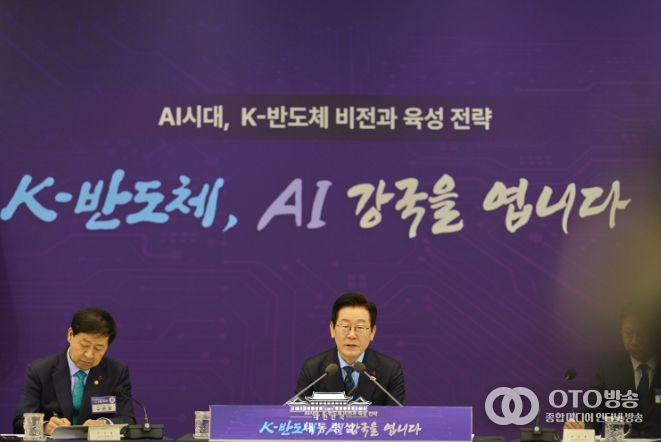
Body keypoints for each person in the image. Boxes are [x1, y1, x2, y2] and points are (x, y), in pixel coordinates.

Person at [13, 307, 135, 434]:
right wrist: (45, 426)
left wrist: (104, 424)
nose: (89, 355)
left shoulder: (116, 372)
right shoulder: (40, 371)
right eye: (84, 345)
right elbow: (19, 422)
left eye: (99, 348)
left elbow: (128, 420)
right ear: (70, 335)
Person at [565, 304, 661, 437]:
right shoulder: (608, 372)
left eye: (642, 332)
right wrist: (582, 429)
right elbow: (592, 413)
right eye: (628, 333)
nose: (634, 341)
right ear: (620, 332)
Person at [295, 292, 405, 405]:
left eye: (360, 327)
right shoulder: (312, 370)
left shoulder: (390, 371)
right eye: (345, 326)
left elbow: (397, 414)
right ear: (332, 329)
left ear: (372, 332)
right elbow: (298, 413)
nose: (352, 335)